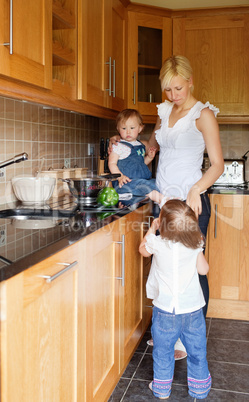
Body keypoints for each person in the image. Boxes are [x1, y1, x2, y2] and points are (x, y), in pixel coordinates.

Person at [109, 55, 224, 358]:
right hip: (161, 200)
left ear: (190, 82)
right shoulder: (163, 111)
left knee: (191, 268)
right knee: (163, 266)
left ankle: (188, 337)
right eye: (168, 90)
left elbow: (218, 165)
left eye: (178, 89)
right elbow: (153, 147)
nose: (173, 96)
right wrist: (123, 145)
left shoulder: (203, 115)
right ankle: (167, 330)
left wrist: (198, 189)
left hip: (189, 203)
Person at [139, 199, 212, 400]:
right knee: (197, 349)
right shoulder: (195, 244)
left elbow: (143, 250)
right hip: (192, 309)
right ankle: (199, 388)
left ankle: (162, 389)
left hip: (165, 310)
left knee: (163, 350)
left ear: (161, 223)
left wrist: (151, 229)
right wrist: (198, 247)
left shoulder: (158, 243)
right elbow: (203, 270)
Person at [108, 109, 160, 198]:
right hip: (126, 183)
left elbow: (140, 164)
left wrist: (149, 158)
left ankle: (164, 198)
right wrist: (120, 176)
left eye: (132, 128)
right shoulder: (118, 145)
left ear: (140, 128)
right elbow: (111, 163)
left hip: (141, 180)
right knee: (147, 186)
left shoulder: (140, 145)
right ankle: (164, 199)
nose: (128, 132)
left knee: (158, 183)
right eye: (124, 128)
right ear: (118, 128)